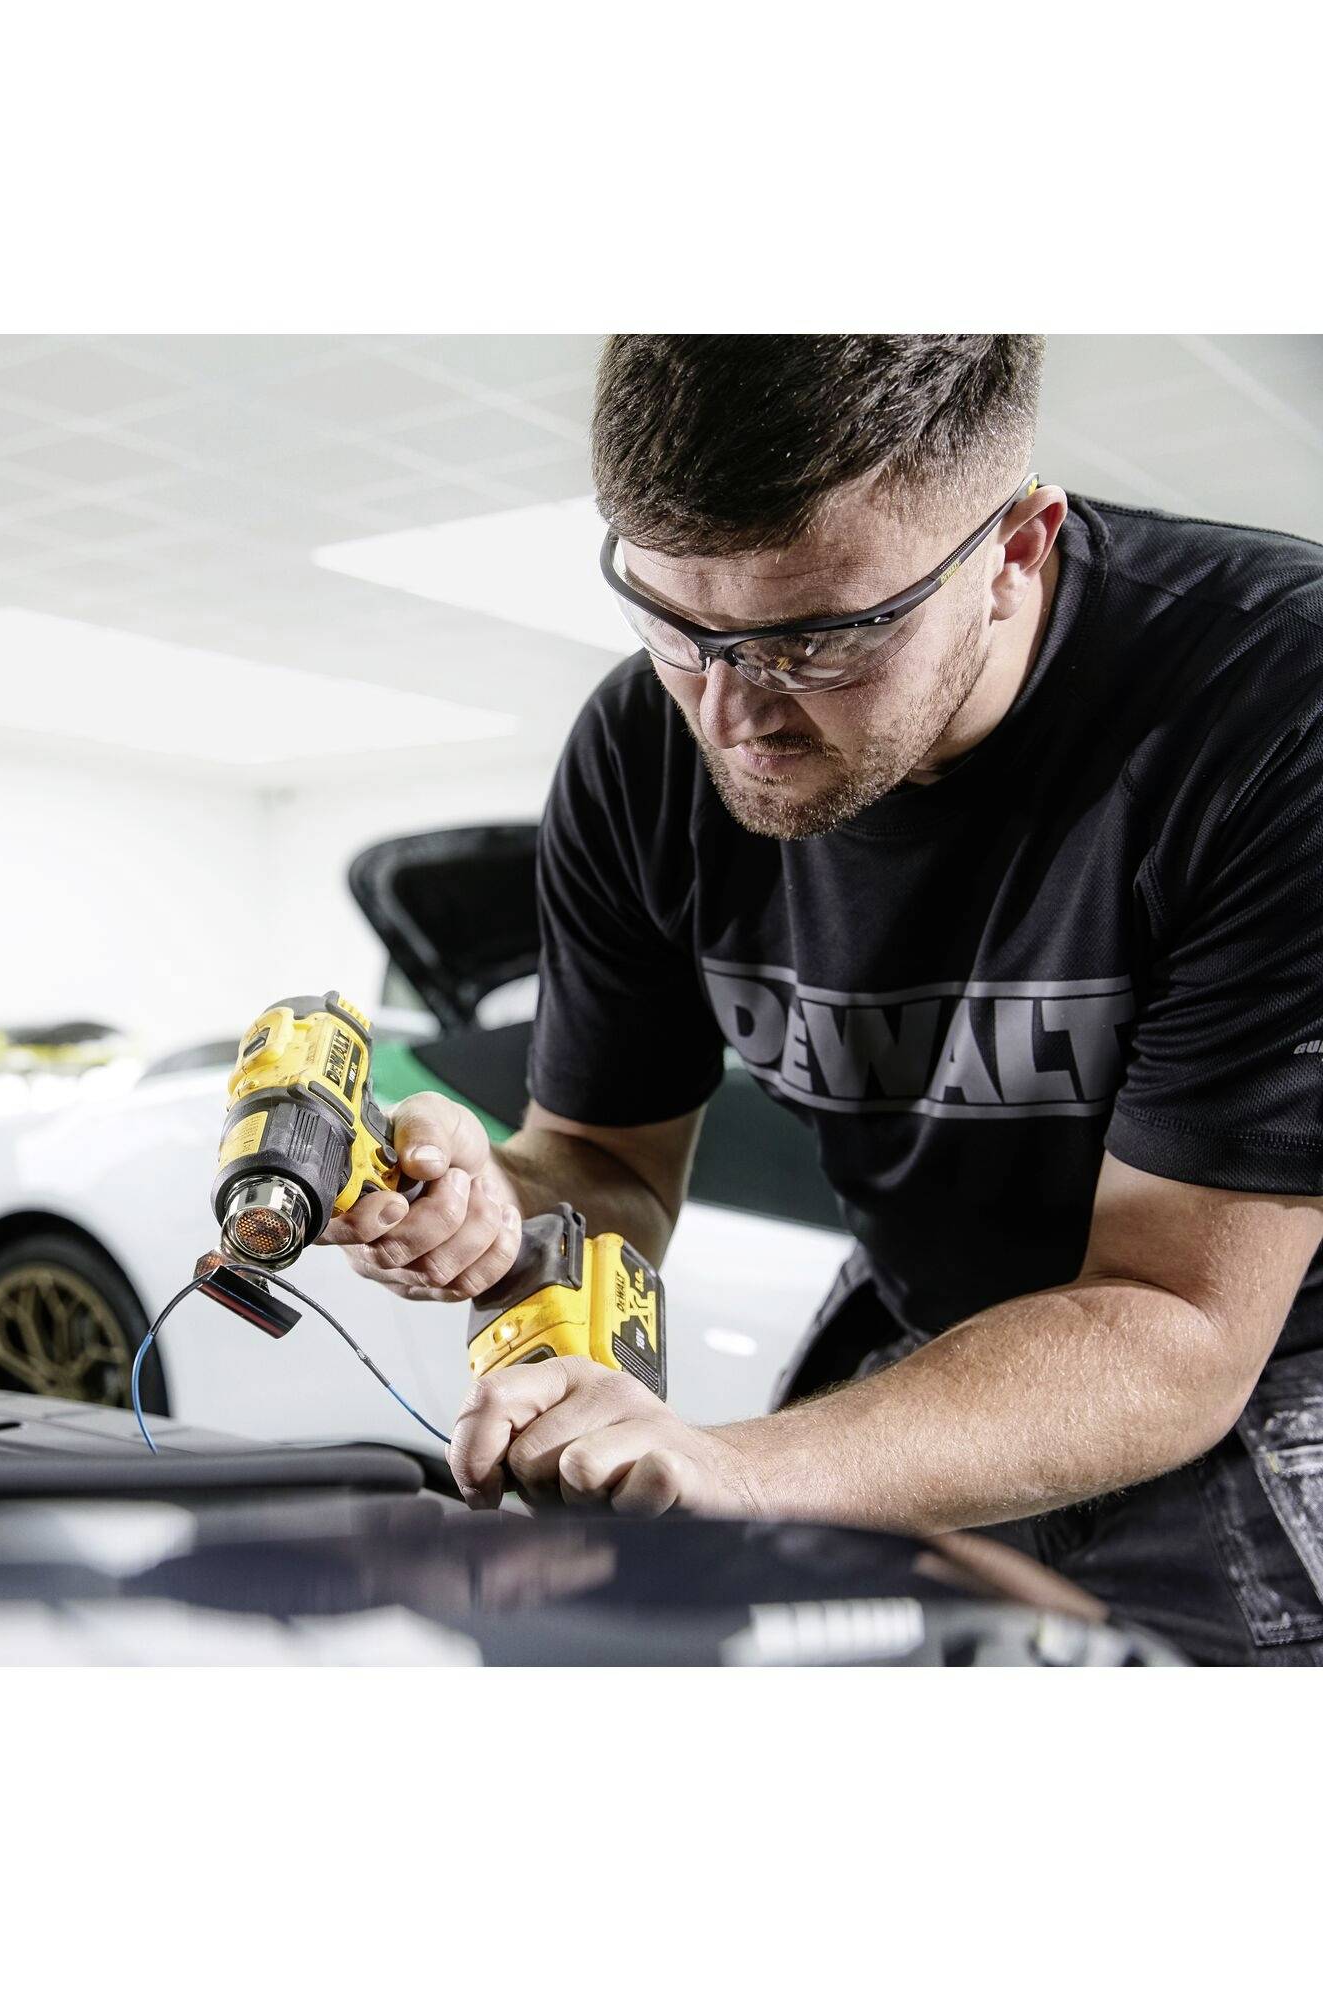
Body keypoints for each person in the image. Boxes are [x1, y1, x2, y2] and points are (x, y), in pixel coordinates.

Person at [326, 335, 1323, 1664]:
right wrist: (497, 1205)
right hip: (941, 1318)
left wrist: (744, 1469)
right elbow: (608, 1162)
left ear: (1017, 550)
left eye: (817, 639)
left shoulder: (1272, 708)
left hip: (1253, 1356)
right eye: (677, 624)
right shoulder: (641, 751)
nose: (733, 712)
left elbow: (1176, 1322)